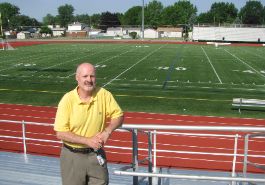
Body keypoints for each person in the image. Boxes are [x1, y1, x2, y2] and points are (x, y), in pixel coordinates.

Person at [54, 62, 124, 185]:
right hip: (72, 156)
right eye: (85, 76)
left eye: (92, 76)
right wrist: (88, 141)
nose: (89, 80)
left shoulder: (104, 94)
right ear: (77, 78)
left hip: (96, 154)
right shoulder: (67, 100)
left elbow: (118, 116)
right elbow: (60, 132)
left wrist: (107, 131)